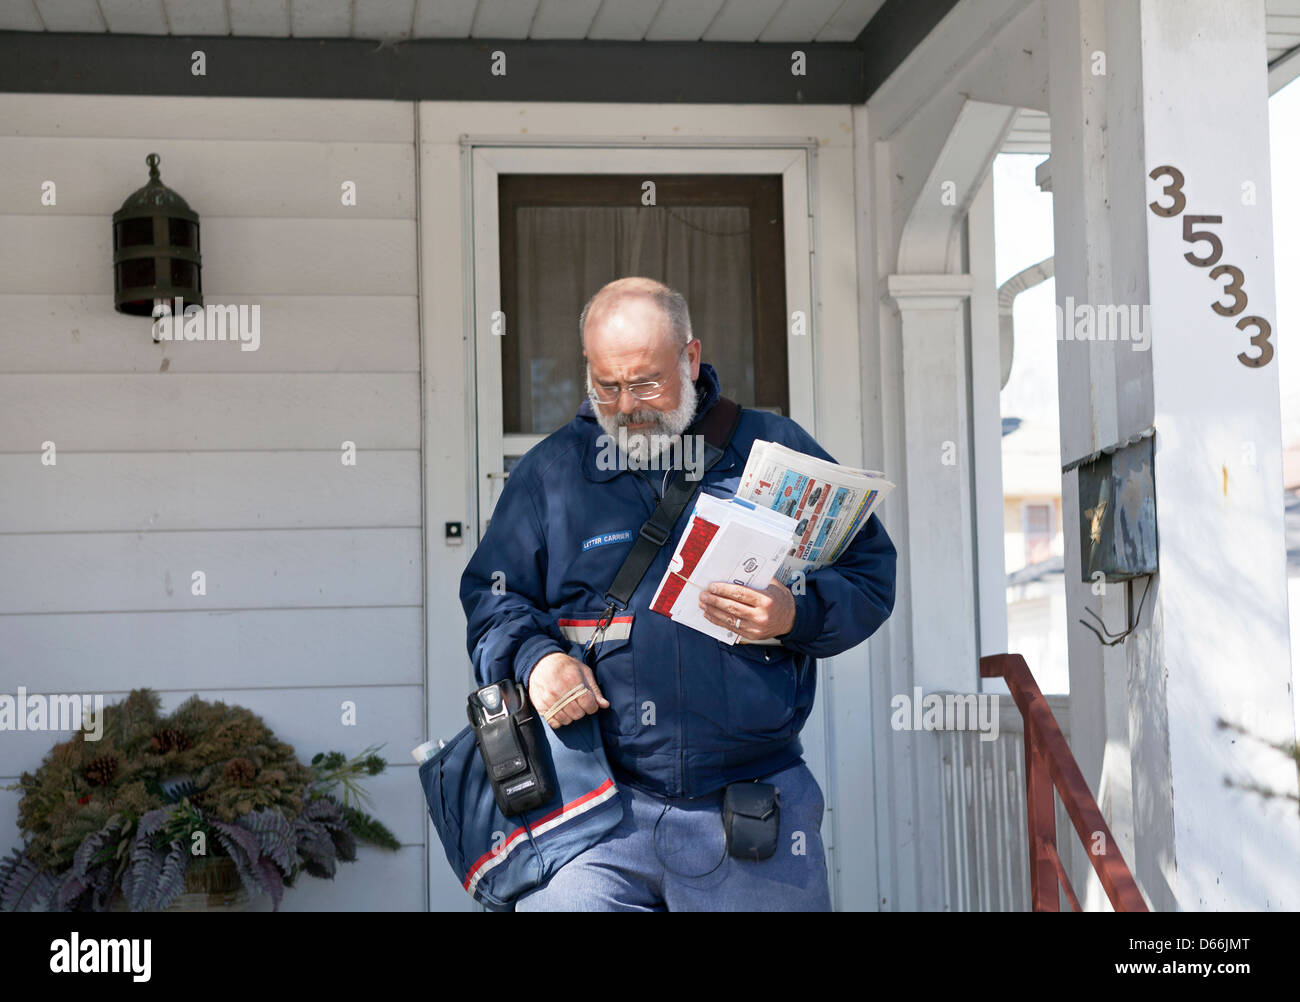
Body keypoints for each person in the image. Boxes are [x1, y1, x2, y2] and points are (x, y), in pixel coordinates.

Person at [459, 277, 897, 910]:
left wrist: (793, 612)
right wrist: (537, 659)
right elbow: (494, 599)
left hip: (751, 804)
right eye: (607, 386)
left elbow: (868, 573)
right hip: (592, 810)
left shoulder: (771, 449)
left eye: (645, 383)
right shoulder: (549, 474)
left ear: (691, 359)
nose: (627, 405)